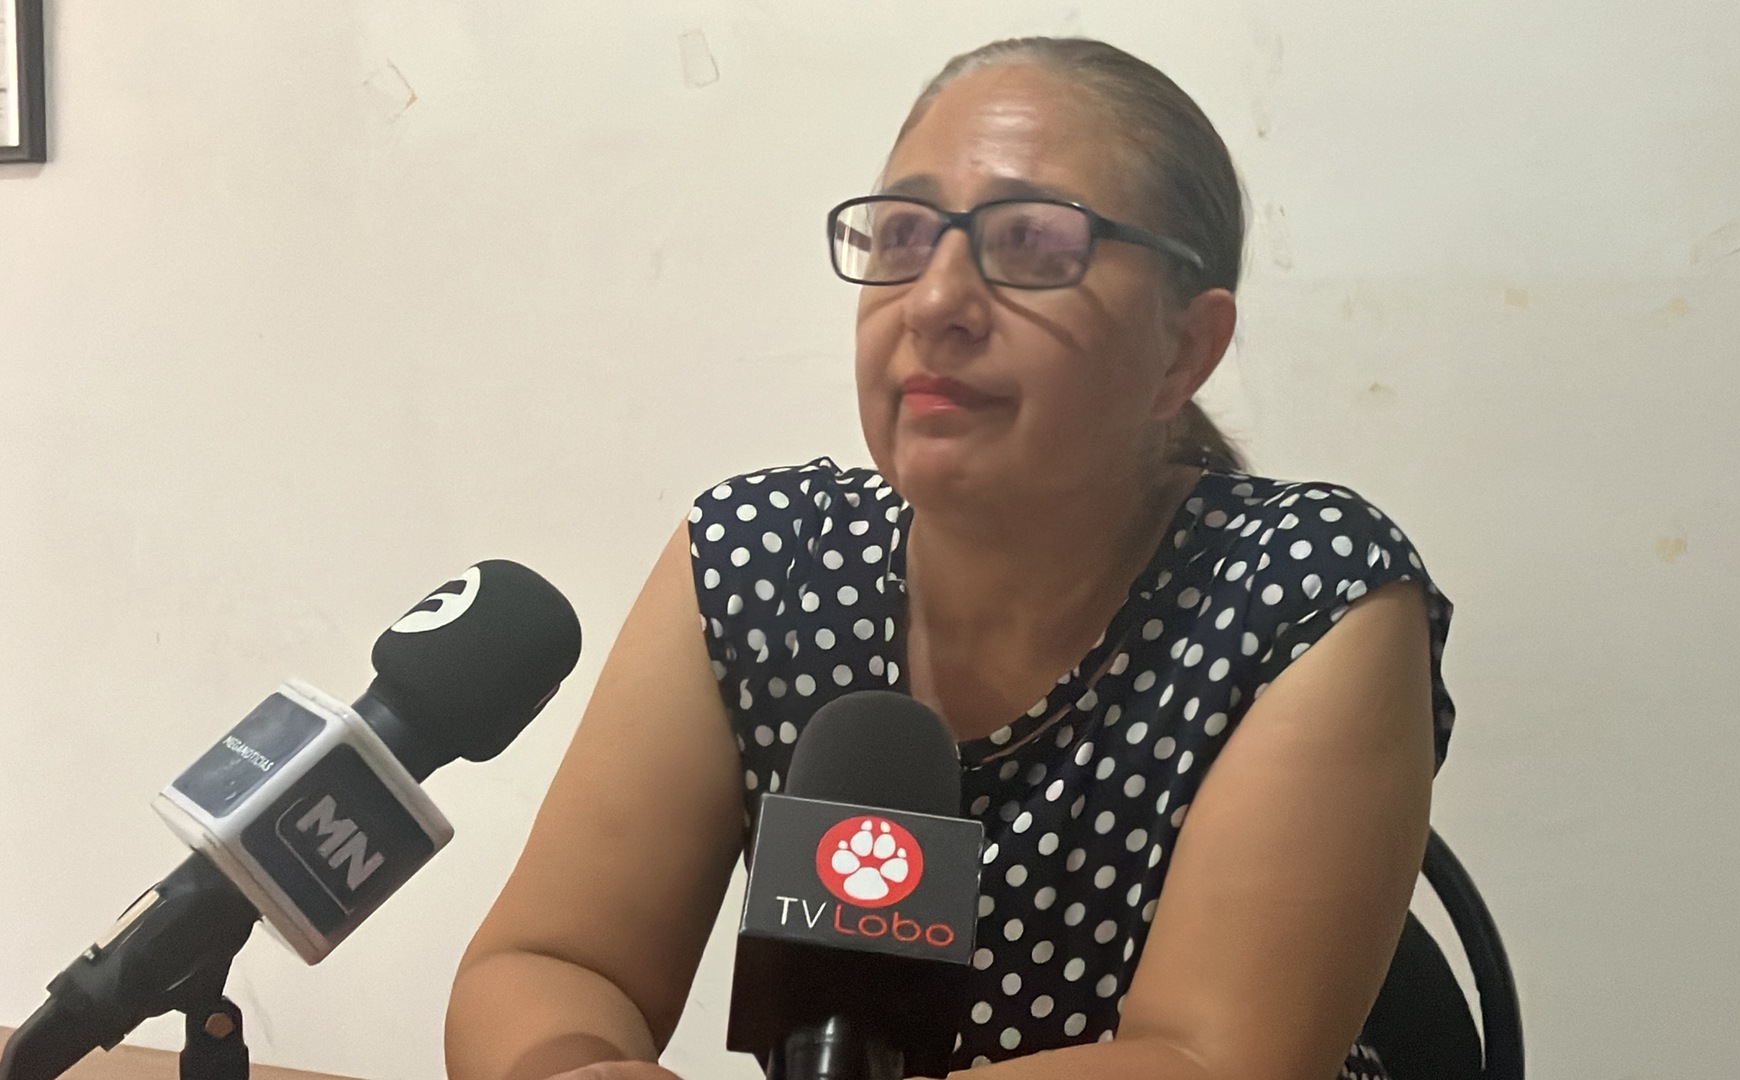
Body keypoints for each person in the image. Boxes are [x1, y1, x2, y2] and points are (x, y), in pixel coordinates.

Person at [445, 37, 1454, 1080]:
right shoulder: (761, 560)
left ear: (1184, 349)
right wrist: (571, 1067)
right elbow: (553, 961)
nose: (934, 302)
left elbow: (1207, 1062)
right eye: (904, 235)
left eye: (1032, 244)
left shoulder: (1306, 591)